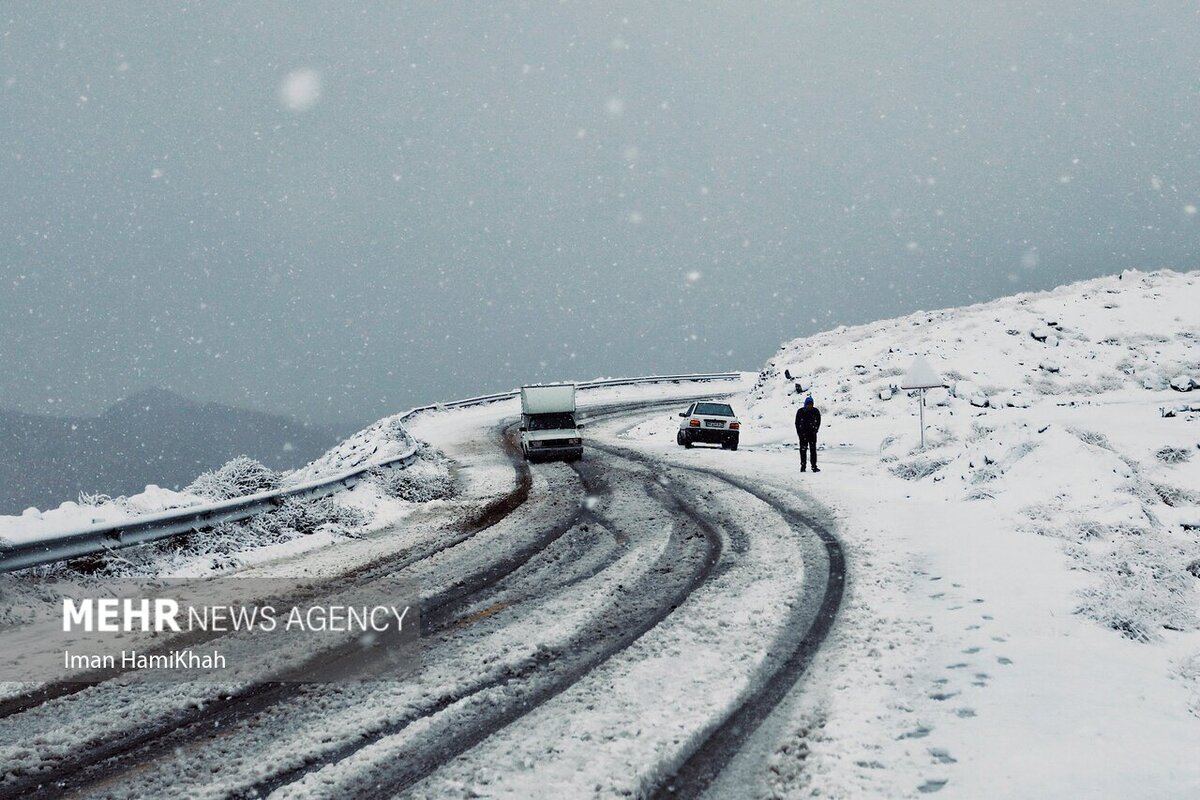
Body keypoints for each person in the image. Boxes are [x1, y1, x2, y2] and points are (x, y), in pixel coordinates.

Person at [794, 395, 821, 472]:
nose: (810, 406)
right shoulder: (801, 411)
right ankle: (803, 466)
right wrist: (799, 433)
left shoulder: (815, 411)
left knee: (813, 450)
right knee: (803, 450)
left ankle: (814, 466)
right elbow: (797, 423)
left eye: (811, 404)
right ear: (805, 404)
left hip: (812, 434)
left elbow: (818, 421)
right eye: (808, 404)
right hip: (803, 435)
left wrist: (816, 429)